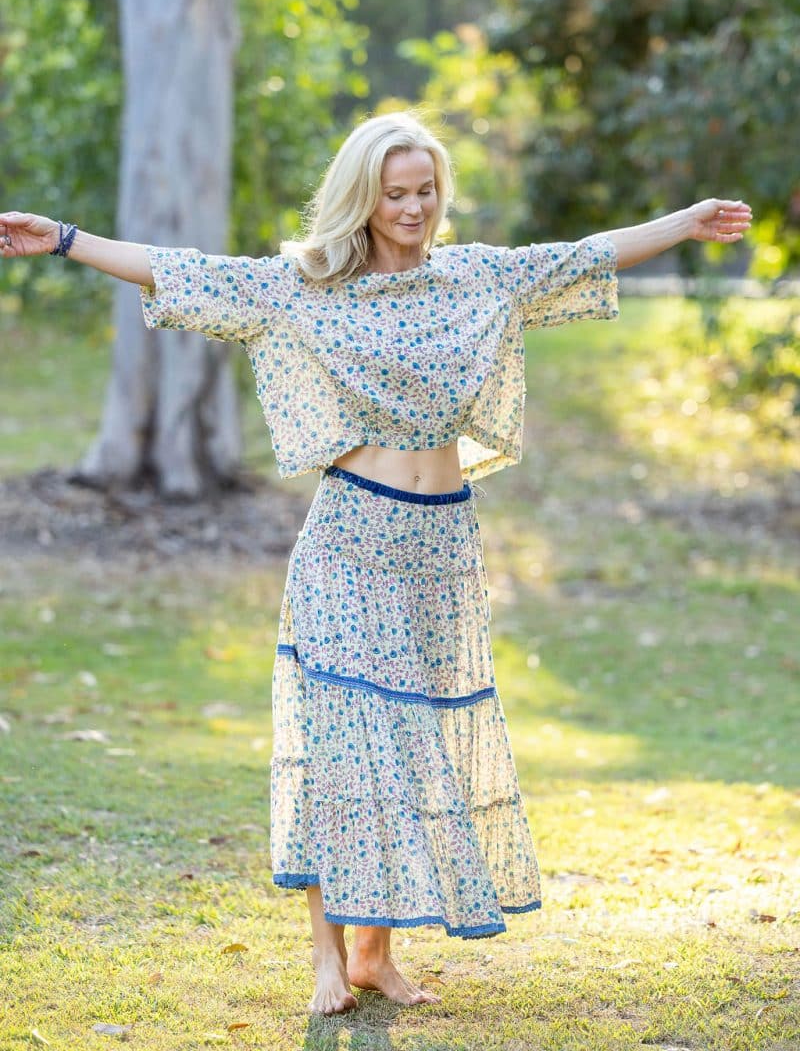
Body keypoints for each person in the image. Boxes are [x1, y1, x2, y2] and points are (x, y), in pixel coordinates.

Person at [0, 111, 752, 1017]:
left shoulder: (476, 277)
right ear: (363, 198)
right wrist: (66, 242)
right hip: (350, 543)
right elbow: (183, 272)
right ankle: (326, 959)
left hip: (441, 551)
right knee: (342, 750)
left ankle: (375, 958)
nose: (413, 208)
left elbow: (585, 254)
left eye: (425, 191)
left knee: (411, 747)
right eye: (395, 193)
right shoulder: (306, 287)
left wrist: (686, 221)